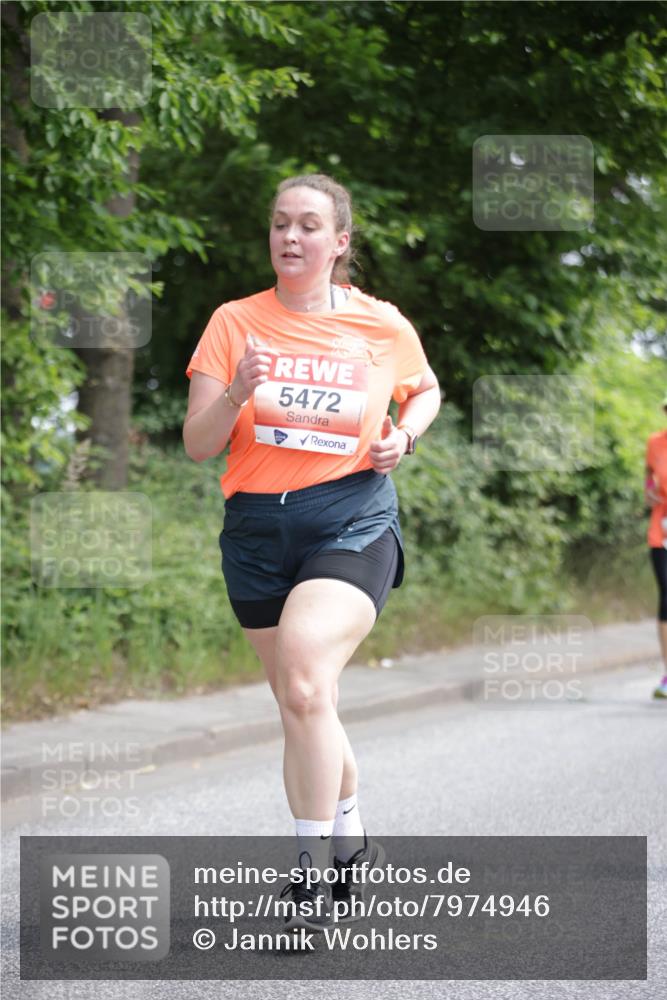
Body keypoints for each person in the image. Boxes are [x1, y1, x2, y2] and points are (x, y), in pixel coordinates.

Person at [183, 173, 441, 930]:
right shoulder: (233, 322)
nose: (289, 238)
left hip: (349, 519)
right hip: (257, 533)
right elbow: (199, 445)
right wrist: (236, 393)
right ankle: (351, 823)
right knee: (304, 701)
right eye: (278, 225)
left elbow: (423, 389)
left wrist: (404, 436)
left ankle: (309, 870)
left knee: (301, 678)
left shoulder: (379, 326)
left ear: (339, 243)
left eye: (306, 226)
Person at [645, 392, 667, 700]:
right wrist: (649, 492)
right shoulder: (656, 443)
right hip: (660, 533)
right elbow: (649, 477)